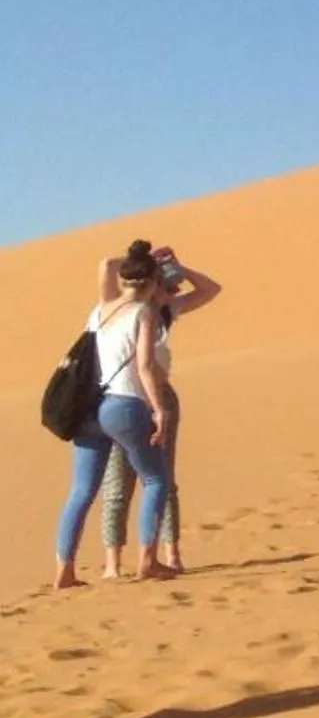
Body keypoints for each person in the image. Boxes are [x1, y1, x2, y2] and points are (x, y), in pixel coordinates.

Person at [54, 243, 179, 588]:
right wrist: (160, 409)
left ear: (125, 279)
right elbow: (145, 366)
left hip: (91, 409)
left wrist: (137, 262)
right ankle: (148, 562)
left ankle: (64, 571)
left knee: (81, 492)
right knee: (156, 480)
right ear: (154, 282)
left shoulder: (101, 309)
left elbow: (106, 263)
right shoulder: (144, 313)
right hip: (124, 406)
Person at [97, 244, 220, 578]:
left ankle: (172, 553)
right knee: (119, 482)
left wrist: (179, 266)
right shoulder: (119, 309)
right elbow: (108, 263)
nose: (172, 290)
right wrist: (143, 264)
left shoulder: (167, 312)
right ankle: (112, 563)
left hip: (159, 398)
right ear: (152, 282)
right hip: (126, 399)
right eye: (166, 284)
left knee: (164, 479)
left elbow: (211, 289)